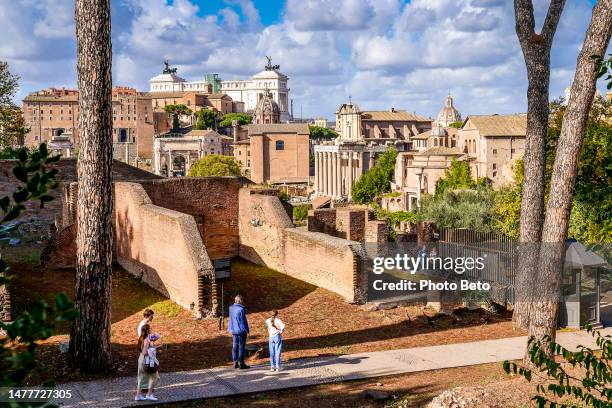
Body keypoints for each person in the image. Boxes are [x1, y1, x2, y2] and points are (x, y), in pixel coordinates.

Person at [135, 324, 161, 401]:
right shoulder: (146, 340)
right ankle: (149, 394)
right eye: (150, 328)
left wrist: (155, 346)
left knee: (141, 377)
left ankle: (138, 395)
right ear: (147, 330)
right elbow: (145, 352)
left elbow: (143, 350)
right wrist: (153, 349)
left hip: (141, 360)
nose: (151, 329)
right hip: (147, 361)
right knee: (154, 376)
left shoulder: (141, 338)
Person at [227, 294, 250, 369]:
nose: (242, 302)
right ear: (240, 301)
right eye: (242, 300)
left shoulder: (231, 308)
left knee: (235, 346)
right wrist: (247, 330)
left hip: (233, 330)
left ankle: (235, 362)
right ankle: (242, 363)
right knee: (241, 347)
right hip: (241, 330)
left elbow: (231, 319)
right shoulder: (241, 309)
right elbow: (243, 321)